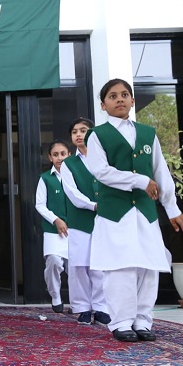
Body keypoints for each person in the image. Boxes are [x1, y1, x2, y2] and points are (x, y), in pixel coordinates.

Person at [85, 78, 183, 342]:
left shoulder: (148, 133)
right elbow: (101, 172)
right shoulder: (97, 135)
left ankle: (143, 321)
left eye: (124, 94)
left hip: (144, 212)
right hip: (114, 213)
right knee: (120, 268)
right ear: (103, 104)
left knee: (148, 266)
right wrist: (139, 181)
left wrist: (172, 209)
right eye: (112, 96)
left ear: (133, 100)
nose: (119, 99)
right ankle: (121, 322)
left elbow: (161, 173)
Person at [60, 118, 111, 326]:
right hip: (80, 219)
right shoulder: (68, 164)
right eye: (74, 132)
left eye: (83, 130)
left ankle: (100, 308)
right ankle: (82, 307)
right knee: (79, 265)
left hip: (105, 219)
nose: (79, 135)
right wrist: (93, 205)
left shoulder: (105, 158)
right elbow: (72, 193)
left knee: (100, 265)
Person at [35, 140, 70, 314]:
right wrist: (56, 220)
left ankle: (81, 302)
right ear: (50, 157)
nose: (59, 158)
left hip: (75, 229)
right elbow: (40, 205)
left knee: (77, 268)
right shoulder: (45, 178)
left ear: (68, 155)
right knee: (54, 262)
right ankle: (55, 296)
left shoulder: (76, 176)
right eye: (55, 154)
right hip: (53, 230)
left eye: (63, 153)